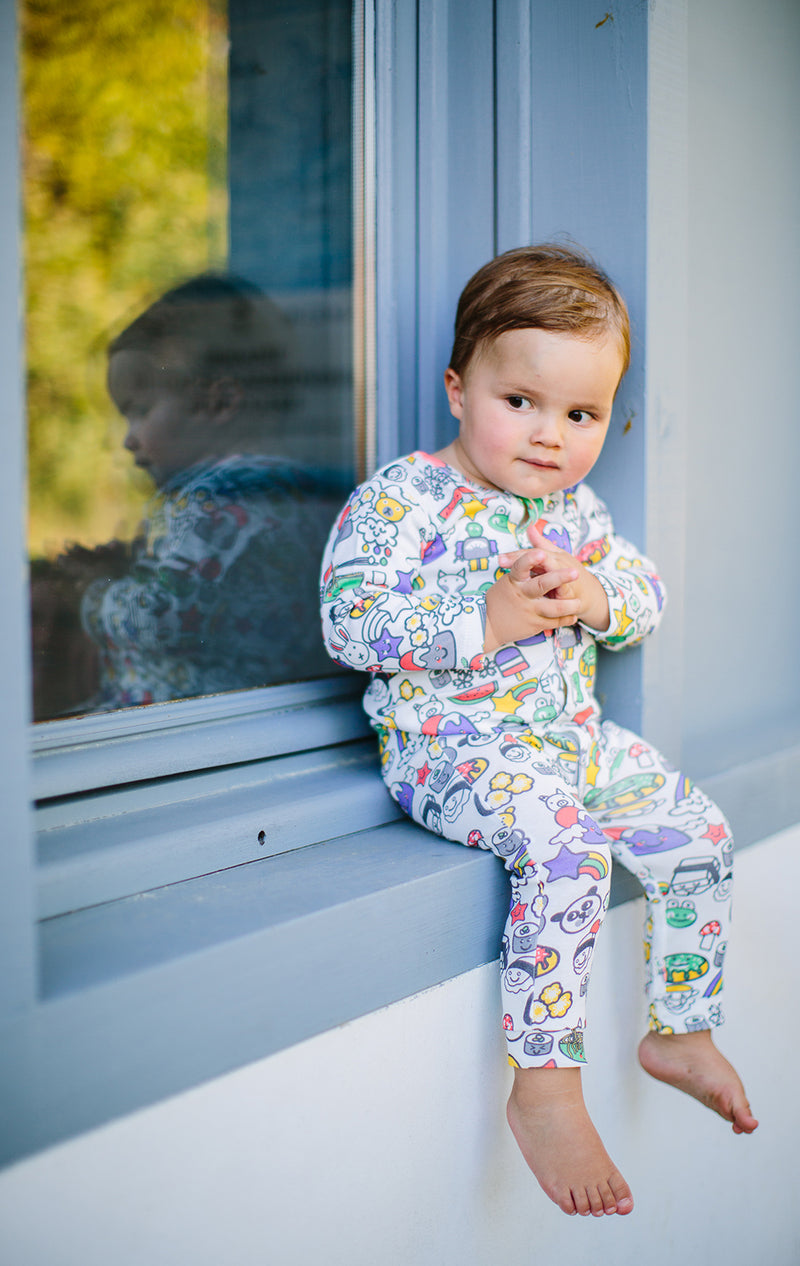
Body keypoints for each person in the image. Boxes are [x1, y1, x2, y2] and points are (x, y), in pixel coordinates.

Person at [319, 244, 757, 1217]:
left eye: (581, 414)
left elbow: (643, 599)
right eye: (519, 400)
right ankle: (545, 1085)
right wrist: (489, 620)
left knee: (696, 834)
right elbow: (350, 625)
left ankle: (677, 1029)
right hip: (455, 750)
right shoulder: (404, 501)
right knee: (566, 853)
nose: (548, 435)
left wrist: (593, 593)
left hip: (570, 740)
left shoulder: (573, 506)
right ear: (455, 386)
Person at [31, 274, 344, 717]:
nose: (128, 440)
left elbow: (162, 618)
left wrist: (92, 593)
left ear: (218, 404)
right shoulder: (301, 491)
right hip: (267, 714)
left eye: (139, 412)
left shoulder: (209, 503)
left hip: (181, 720)